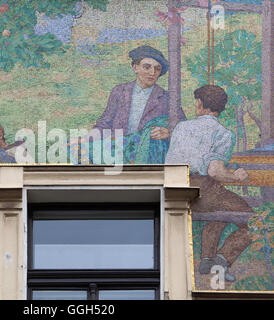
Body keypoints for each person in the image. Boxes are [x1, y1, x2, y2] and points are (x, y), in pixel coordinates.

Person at [165, 84, 253, 281]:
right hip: (202, 190)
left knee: (222, 206)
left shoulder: (181, 127)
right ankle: (222, 260)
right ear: (221, 108)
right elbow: (215, 171)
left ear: (199, 104)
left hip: (176, 188)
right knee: (253, 220)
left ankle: (206, 260)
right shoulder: (223, 133)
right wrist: (236, 176)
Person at [93, 45, 186, 164]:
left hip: (148, 159)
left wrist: (168, 133)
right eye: (147, 67)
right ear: (135, 67)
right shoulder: (119, 92)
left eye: (157, 69)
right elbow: (104, 123)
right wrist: (87, 138)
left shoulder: (167, 98)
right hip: (117, 154)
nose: (152, 72)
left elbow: (183, 129)